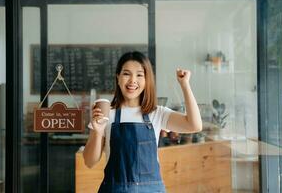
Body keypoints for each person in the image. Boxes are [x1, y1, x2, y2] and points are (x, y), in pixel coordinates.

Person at [83, 51, 202, 193]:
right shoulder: (107, 113)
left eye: (139, 75)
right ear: (118, 77)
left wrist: (185, 84)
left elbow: (194, 125)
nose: (132, 80)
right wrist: (97, 131)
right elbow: (89, 162)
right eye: (126, 74)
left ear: (147, 80)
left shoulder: (157, 113)